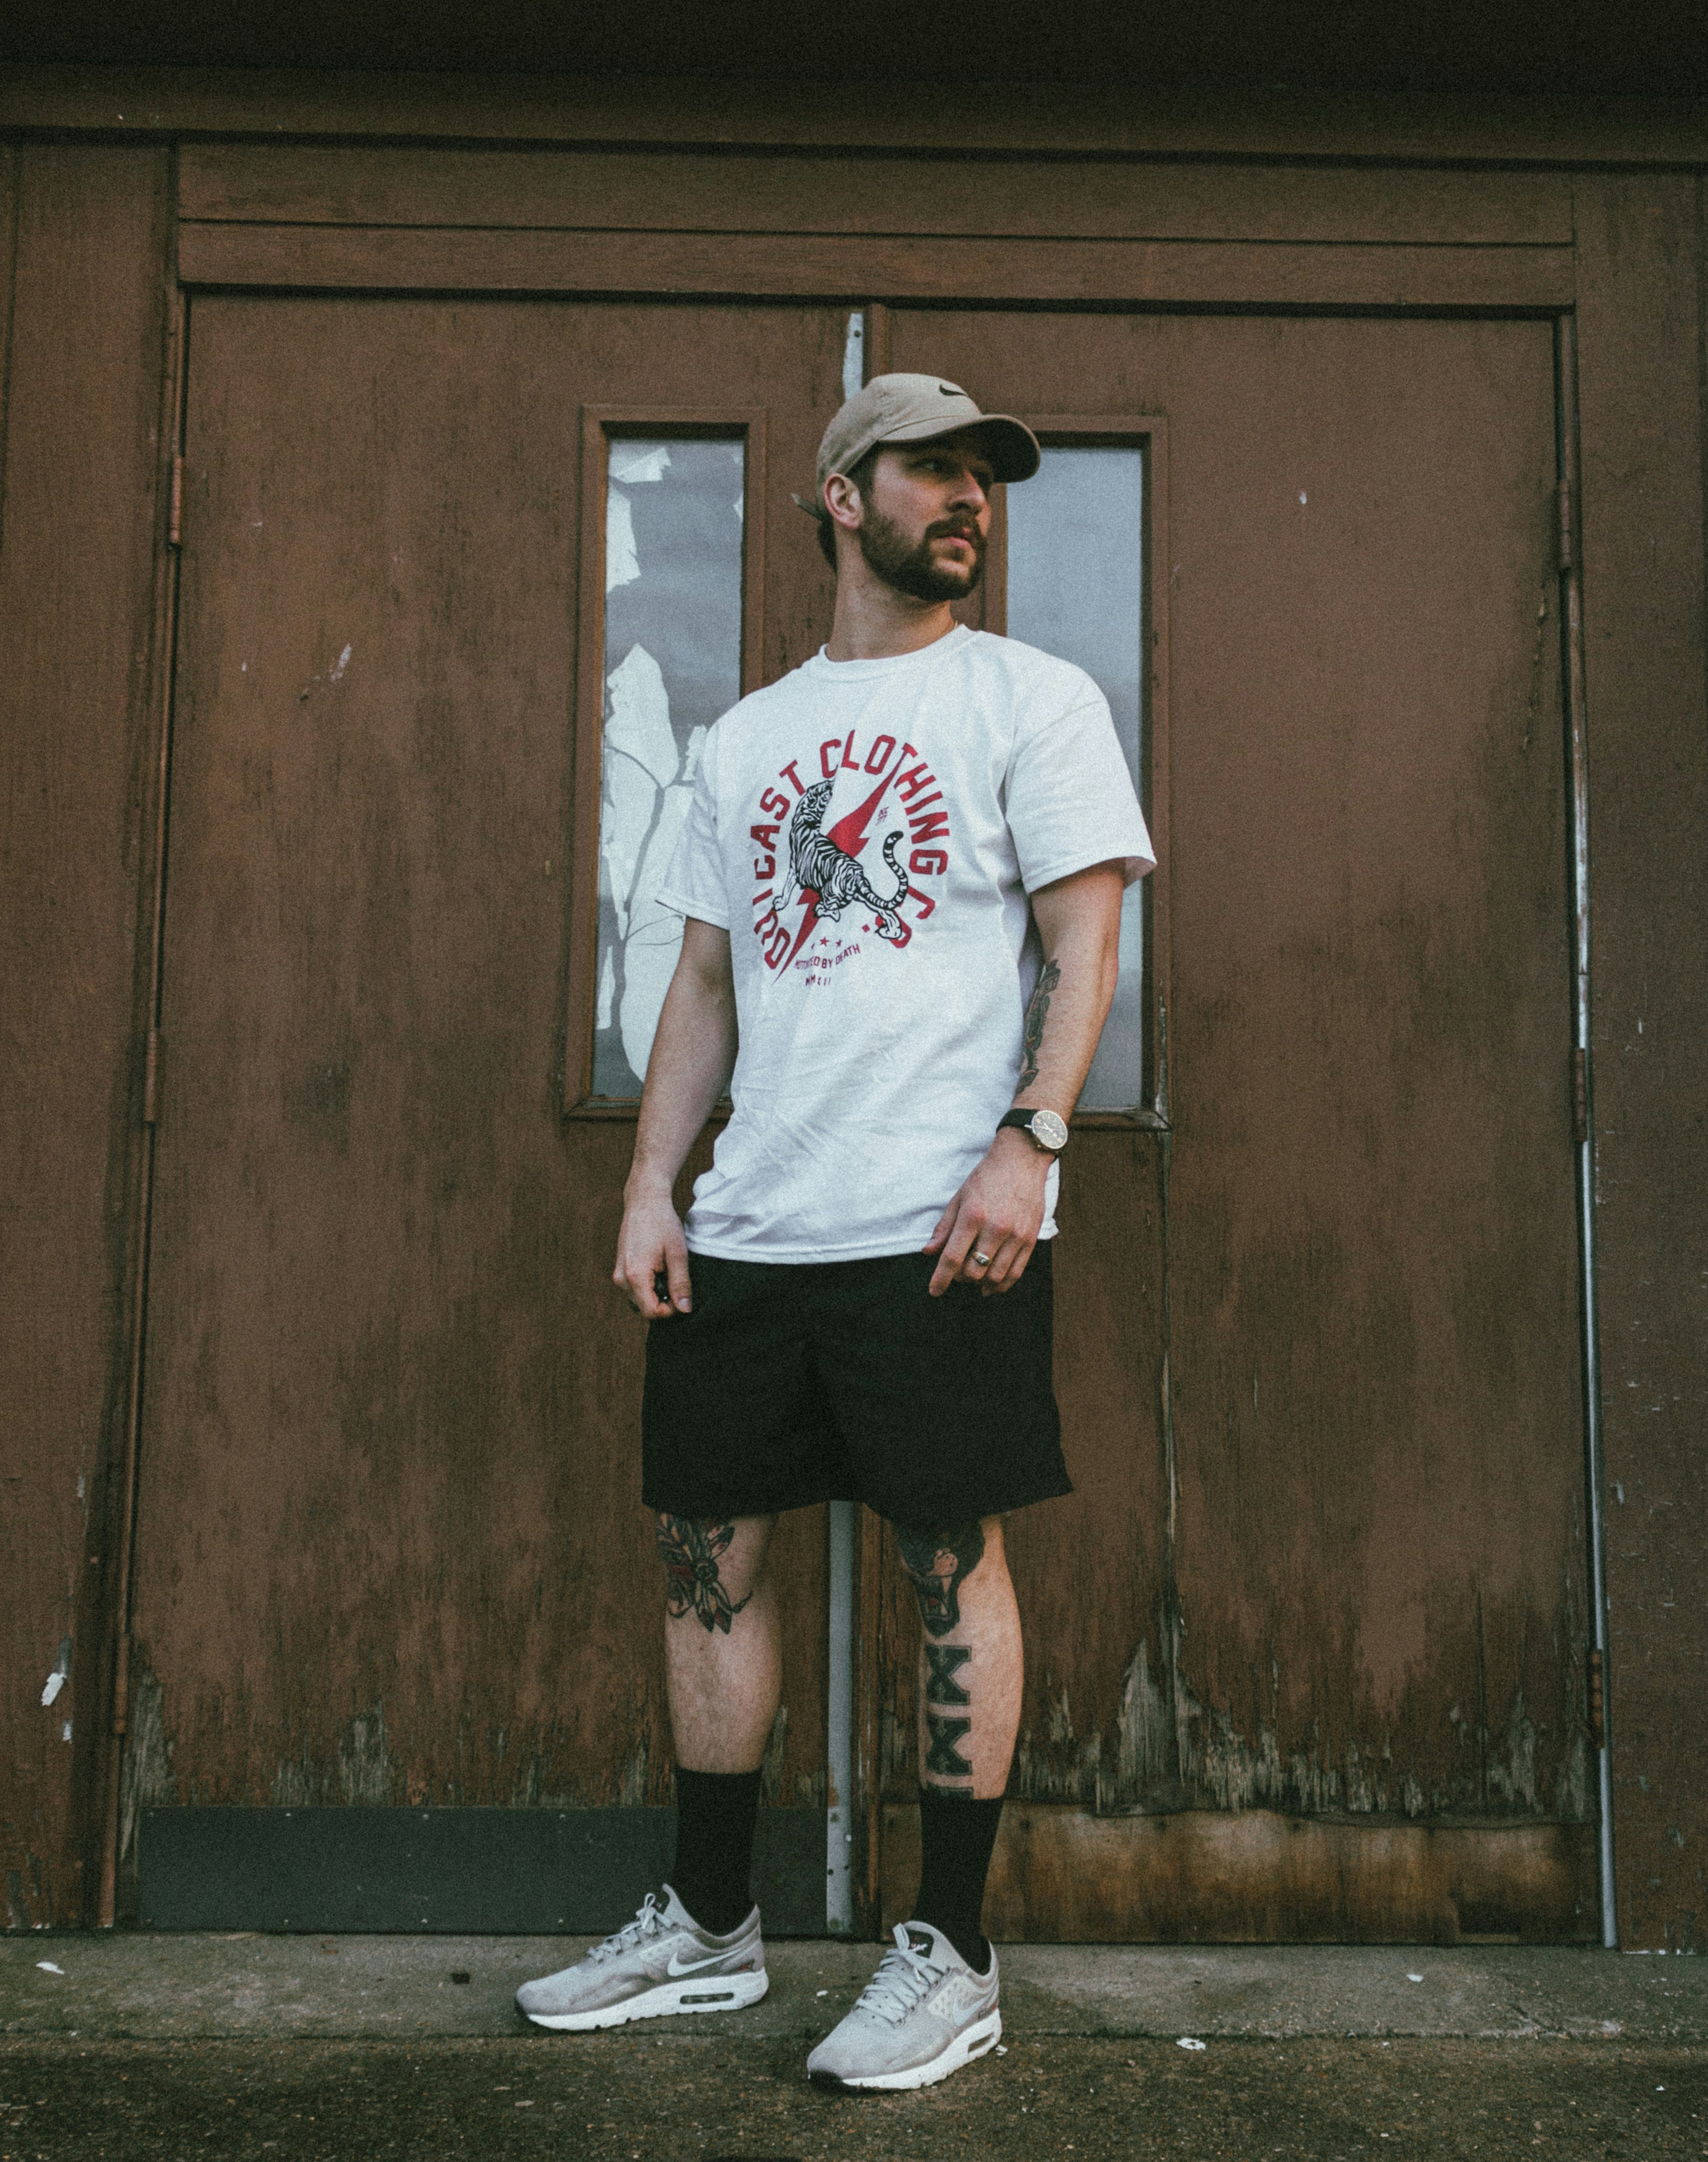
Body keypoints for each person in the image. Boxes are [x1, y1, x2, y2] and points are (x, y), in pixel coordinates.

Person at [517, 373, 1154, 2090]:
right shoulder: (744, 741)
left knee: (953, 1564)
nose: (969, 499)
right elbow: (706, 981)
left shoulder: (1033, 700)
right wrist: (656, 1185)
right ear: (837, 496)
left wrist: (1032, 1145)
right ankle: (713, 1931)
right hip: (754, 1227)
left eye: (983, 477)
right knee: (703, 1563)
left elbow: (1084, 951)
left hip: (942, 1223)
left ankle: (953, 1953)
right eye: (931, 470)